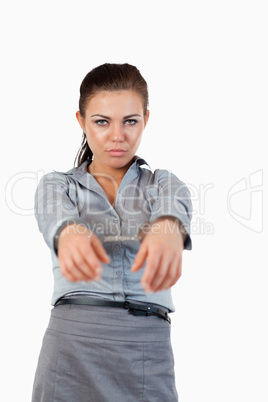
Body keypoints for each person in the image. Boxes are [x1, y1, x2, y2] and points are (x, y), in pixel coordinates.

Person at [32, 63, 192, 402]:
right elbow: (54, 215)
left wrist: (168, 228)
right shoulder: (58, 184)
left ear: (146, 119)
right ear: (81, 121)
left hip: (146, 348)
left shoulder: (162, 182)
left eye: (130, 121)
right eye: (102, 122)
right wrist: (70, 232)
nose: (117, 136)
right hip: (72, 345)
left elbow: (175, 204)